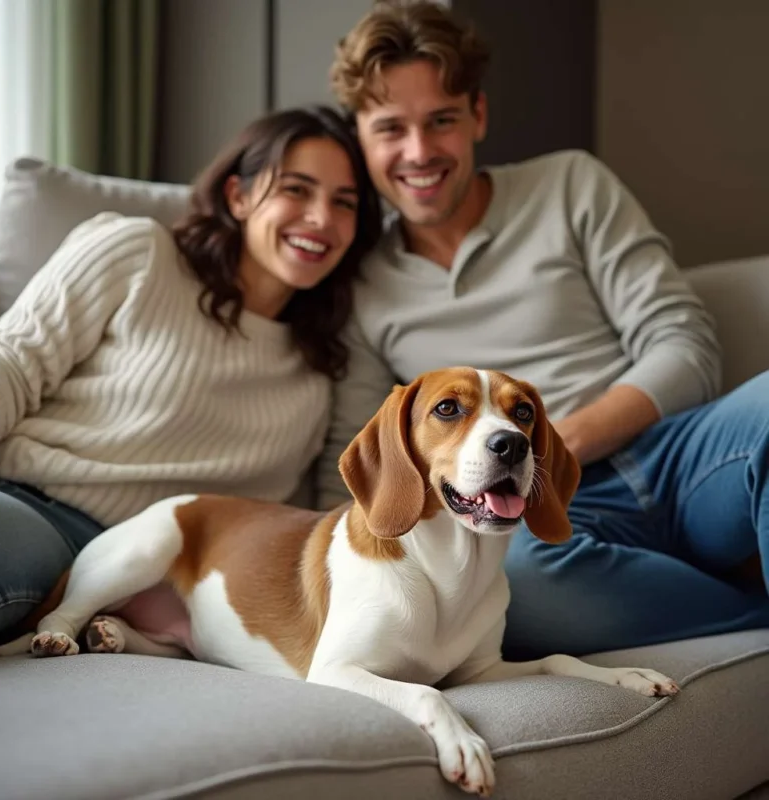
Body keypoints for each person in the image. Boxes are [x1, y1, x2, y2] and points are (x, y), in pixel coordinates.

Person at [317, 0, 769, 661]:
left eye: (441, 120)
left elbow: (685, 342)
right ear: (362, 137)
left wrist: (550, 453)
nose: (419, 152)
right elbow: (363, 460)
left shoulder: (570, 184)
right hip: (532, 516)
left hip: (673, 457)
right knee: (522, 582)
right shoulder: (360, 281)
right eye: (391, 128)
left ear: (478, 115)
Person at [0, 105, 382, 656]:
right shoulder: (138, 251)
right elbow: (10, 361)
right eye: (297, 190)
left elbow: (339, 515)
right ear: (237, 196)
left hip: (164, 582)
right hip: (32, 506)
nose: (321, 218)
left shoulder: (334, 359)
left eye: (344, 203)